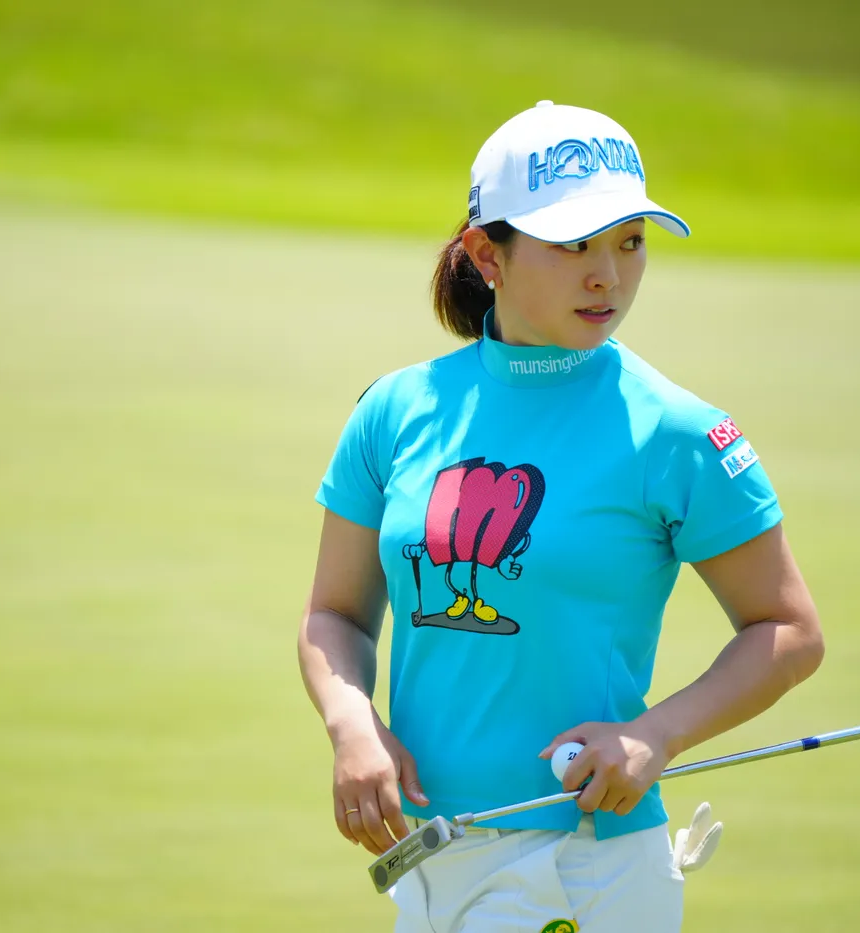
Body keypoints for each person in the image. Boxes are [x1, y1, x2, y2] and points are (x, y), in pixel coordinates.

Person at [297, 100, 825, 932]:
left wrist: (654, 735)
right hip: (430, 857)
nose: (607, 275)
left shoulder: (677, 431)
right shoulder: (394, 409)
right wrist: (352, 727)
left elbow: (789, 630)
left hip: (586, 864)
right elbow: (335, 614)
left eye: (630, 241)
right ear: (488, 255)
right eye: (575, 244)